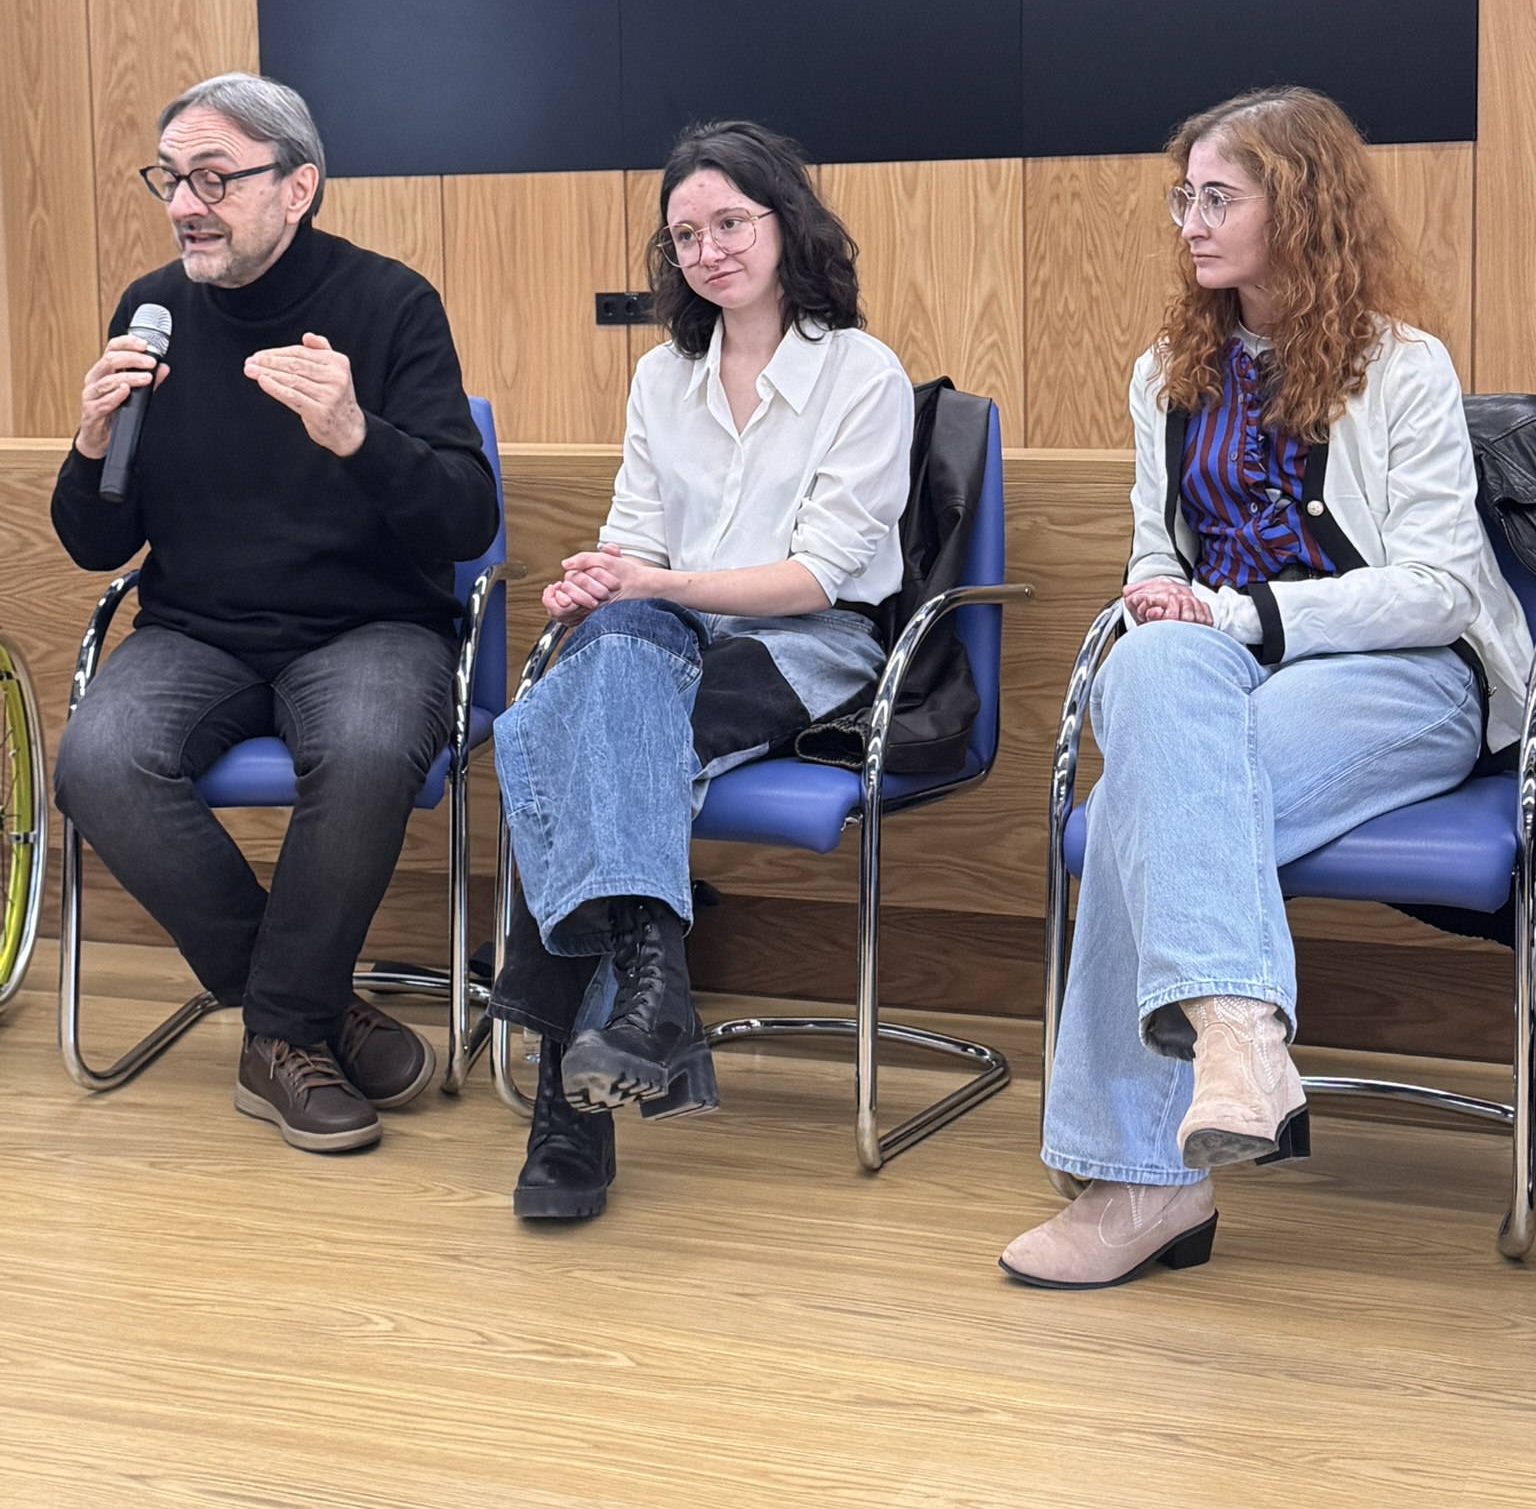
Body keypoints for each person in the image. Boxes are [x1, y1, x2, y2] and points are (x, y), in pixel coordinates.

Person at [1000, 87, 1534, 1289]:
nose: (1189, 221)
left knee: (1150, 799)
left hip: (1400, 680)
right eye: (1181, 197)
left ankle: (1140, 1181)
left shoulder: (1404, 369)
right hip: (1210, 674)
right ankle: (1239, 1038)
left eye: (1217, 196)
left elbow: (1443, 587)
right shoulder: (1164, 373)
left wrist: (1235, 612)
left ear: (1297, 203)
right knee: (1153, 669)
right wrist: (1161, 599)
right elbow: (1155, 550)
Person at [52, 74, 500, 1154]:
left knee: (364, 744)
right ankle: (303, 1014)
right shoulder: (150, 308)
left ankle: (282, 1026)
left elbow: (463, 513)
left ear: (299, 186)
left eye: (215, 176)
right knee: (97, 758)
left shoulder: (392, 303)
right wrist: (90, 438)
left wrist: (357, 431)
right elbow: (96, 543)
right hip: (196, 627)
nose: (186, 202)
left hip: (370, 626)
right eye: (172, 177)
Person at [491, 120, 914, 1221]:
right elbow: (636, 534)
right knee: (582, 690)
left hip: (805, 646)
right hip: (664, 635)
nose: (710, 248)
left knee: (547, 731)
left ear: (787, 222)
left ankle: (569, 1107)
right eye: (686, 234)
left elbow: (821, 575)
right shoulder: (660, 376)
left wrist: (652, 587)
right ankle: (648, 997)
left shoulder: (860, 373)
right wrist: (600, 578)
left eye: (731, 221)